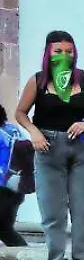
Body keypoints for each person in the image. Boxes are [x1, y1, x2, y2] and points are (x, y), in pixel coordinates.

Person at [13, 30, 84, 260]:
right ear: (48, 52)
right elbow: (21, 112)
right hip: (47, 147)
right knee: (52, 210)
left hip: (82, 147)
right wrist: (33, 132)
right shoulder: (38, 81)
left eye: (69, 51)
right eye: (58, 51)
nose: (64, 55)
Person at [0, 104, 35, 246]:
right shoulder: (13, 130)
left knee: (4, 229)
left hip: (3, 188)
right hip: (17, 187)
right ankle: (25, 254)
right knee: (4, 229)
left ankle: (25, 254)